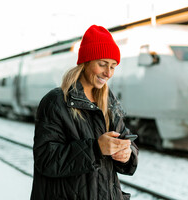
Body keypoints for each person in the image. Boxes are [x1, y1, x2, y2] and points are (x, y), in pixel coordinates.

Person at [30, 25, 138, 200]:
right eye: (102, 64)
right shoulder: (57, 101)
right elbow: (46, 160)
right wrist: (96, 148)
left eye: (113, 66)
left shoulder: (109, 101)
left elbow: (125, 139)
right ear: (86, 62)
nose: (108, 73)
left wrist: (127, 155)